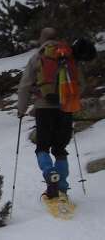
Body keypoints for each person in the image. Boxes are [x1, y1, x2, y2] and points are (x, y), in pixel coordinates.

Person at [17, 27, 89, 199]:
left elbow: (24, 86)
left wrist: (21, 110)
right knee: (60, 149)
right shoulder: (69, 56)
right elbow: (81, 84)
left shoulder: (37, 57)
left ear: (42, 40)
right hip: (65, 108)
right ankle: (62, 187)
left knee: (42, 147)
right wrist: (70, 97)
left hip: (44, 107)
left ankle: (50, 173)